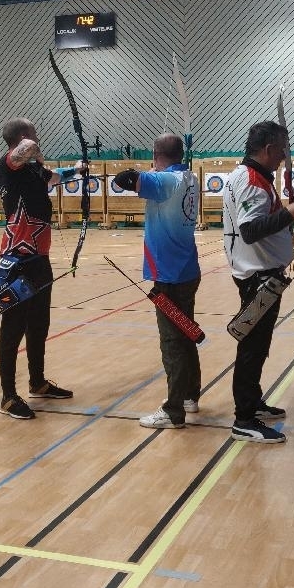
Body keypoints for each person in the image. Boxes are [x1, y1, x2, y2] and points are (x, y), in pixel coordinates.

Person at [223, 120, 294, 443]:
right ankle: (244, 420)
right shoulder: (252, 180)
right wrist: (292, 210)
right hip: (257, 277)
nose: (283, 156)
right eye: (281, 150)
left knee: (258, 345)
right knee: (252, 348)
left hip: (262, 274)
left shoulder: (252, 176)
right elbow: (251, 230)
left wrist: (292, 208)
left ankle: (253, 403)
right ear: (267, 149)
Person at [0, 118, 85, 420]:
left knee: (39, 323)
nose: (38, 137)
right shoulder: (7, 165)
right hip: (17, 259)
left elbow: (53, 177)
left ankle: (38, 383)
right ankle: (8, 397)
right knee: (12, 328)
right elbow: (28, 148)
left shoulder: (32, 169)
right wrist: (36, 149)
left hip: (39, 259)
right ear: (23, 136)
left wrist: (77, 170)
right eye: (34, 132)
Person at [113, 133, 201, 429]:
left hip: (168, 275)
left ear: (156, 154)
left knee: (172, 341)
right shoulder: (189, 178)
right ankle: (189, 396)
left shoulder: (164, 181)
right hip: (187, 270)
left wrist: (148, 173)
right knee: (186, 332)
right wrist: (153, 172)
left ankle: (174, 411)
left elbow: (123, 179)